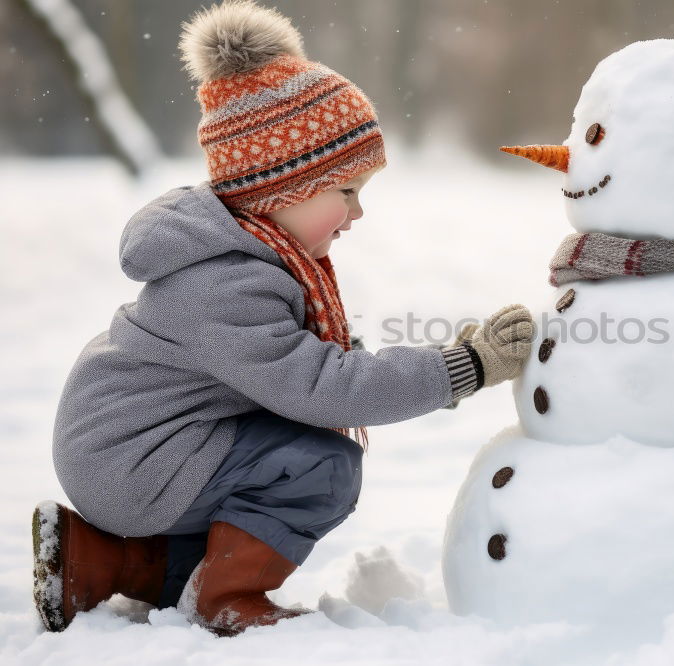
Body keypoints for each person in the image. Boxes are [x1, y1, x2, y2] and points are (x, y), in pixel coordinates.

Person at [31, 0, 534, 638]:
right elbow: (323, 386)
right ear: (281, 189)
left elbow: (294, 371)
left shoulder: (237, 257)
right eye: (345, 191)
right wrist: (463, 367)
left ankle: (101, 562)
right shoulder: (227, 282)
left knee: (271, 466)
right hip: (136, 464)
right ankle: (226, 596)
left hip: (136, 453)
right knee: (319, 465)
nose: (357, 213)